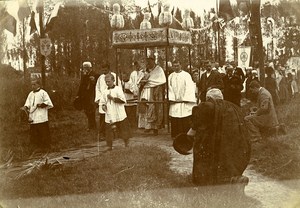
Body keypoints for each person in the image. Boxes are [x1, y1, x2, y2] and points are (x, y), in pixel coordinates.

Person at [188, 88, 250, 186]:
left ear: (208, 98)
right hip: (237, 146)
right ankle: (234, 179)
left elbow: (193, 130)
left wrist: (189, 137)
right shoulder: (234, 107)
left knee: (204, 148)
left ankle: (206, 182)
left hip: (217, 146)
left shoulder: (207, 106)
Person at [100, 73, 131, 151]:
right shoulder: (104, 91)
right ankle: (109, 145)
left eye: (109, 81)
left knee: (123, 127)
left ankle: (126, 142)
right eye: (106, 82)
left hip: (118, 111)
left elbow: (123, 100)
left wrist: (113, 98)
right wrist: (103, 106)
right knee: (108, 128)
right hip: (110, 112)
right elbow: (102, 102)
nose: (107, 83)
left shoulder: (118, 89)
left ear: (113, 81)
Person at [21, 79, 54, 150]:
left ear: (38, 85)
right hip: (33, 116)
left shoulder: (43, 93)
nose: (32, 86)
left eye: (34, 84)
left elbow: (49, 103)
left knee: (43, 131)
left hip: (41, 116)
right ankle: (36, 147)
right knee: (34, 132)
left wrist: (42, 105)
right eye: (32, 84)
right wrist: (25, 107)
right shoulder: (30, 94)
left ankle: (46, 146)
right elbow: (28, 102)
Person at [168, 60, 197, 139]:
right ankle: (176, 136)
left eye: (177, 65)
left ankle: (186, 136)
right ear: (172, 67)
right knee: (175, 117)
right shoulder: (170, 76)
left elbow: (189, 88)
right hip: (175, 101)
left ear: (180, 65)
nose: (176, 67)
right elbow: (169, 88)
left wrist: (185, 98)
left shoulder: (186, 75)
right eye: (174, 66)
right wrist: (173, 98)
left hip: (184, 101)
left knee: (185, 117)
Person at [139, 57, 166, 135]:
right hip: (147, 90)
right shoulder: (146, 70)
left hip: (156, 90)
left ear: (153, 61)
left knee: (155, 108)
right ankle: (147, 126)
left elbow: (161, 80)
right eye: (148, 62)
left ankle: (155, 128)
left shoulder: (159, 69)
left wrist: (154, 85)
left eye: (150, 62)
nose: (149, 64)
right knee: (147, 107)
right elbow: (141, 79)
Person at [95, 62, 121, 138]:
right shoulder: (100, 78)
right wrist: (99, 98)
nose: (104, 71)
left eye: (105, 70)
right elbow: (97, 88)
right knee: (103, 117)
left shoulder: (114, 76)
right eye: (103, 70)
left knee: (114, 116)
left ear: (109, 69)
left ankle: (115, 133)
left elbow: (118, 87)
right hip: (103, 99)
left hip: (112, 98)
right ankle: (103, 133)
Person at [76, 62, 99, 131]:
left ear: (90, 68)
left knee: (91, 111)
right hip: (84, 96)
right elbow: (81, 86)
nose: (85, 69)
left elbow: (97, 85)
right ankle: (91, 124)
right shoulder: (84, 75)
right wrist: (78, 95)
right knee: (86, 111)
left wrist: (94, 81)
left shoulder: (95, 75)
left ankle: (92, 125)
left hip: (92, 96)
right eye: (84, 67)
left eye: (87, 67)